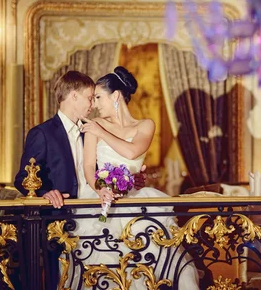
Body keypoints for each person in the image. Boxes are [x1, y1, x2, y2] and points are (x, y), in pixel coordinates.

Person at [67, 66, 199, 290]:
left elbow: (132, 152)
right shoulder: (95, 126)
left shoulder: (145, 125)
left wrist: (102, 133)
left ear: (116, 96)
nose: (94, 104)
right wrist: (100, 188)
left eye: (98, 97)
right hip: (102, 198)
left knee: (152, 261)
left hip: (137, 198)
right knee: (104, 265)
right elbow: (88, 166)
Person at [13, 70, 147, 289]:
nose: (92, 105)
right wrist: (45, 192)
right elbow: (22, 178)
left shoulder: (90, 130)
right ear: (73, 95)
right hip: (58, 221)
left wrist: (132, 177)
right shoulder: (43, 133)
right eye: (88, 97)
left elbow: (103, 165)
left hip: (94, 214)